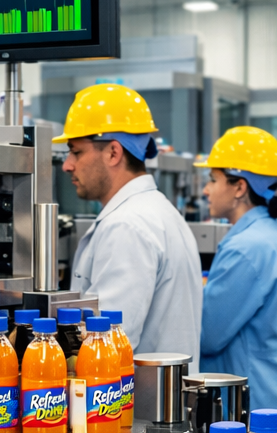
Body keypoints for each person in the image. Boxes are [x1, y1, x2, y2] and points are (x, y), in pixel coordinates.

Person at [53, 83, 203, 366]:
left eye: (76, 152)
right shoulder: (158, 211)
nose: (67, 165)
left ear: (113, 152)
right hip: (160, 400)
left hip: (131, 405)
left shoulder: (128, 226)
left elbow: (106, 348)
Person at [198, 126, 277, 411]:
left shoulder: (246, 247)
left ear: (239, 187)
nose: (206, 190)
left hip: (258, 402)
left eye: (213, 180)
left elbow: (207, 336)